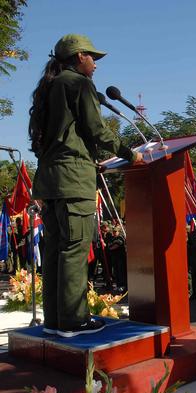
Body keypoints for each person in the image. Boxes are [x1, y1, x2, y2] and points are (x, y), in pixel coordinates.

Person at [29, 34, 142, 337]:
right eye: (93, 57)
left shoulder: (49, 87)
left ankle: (55, 319)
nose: (95, 64)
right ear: (79, 56)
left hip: (50, 180)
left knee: (55, 250)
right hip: (72, 180)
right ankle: (74, 319)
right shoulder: (78, 84)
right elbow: (96, 130)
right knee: (74, 250)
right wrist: (131, 154)